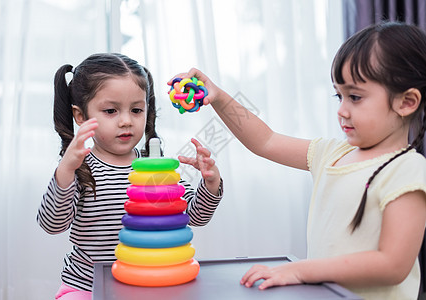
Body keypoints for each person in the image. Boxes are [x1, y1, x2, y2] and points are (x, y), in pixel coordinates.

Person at [170, 22, 426, 299]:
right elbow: (265, 141)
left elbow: (393, 265)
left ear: (407, 102)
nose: (341, 110)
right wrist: (218, 97)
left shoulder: (408, 170)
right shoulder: (331, 153)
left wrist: (301, 270)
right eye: (338, 96)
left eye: (355, 97)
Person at [37, 53, 223, 300]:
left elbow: (195, 216)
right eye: (111, 110)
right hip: (87, 287)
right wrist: (66, 171)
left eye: (136, 110)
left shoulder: (156, 168)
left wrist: (210, 184)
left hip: (147, 284)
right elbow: (52, 224)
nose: (126, 121)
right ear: (80, 116)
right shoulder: (80, 169)